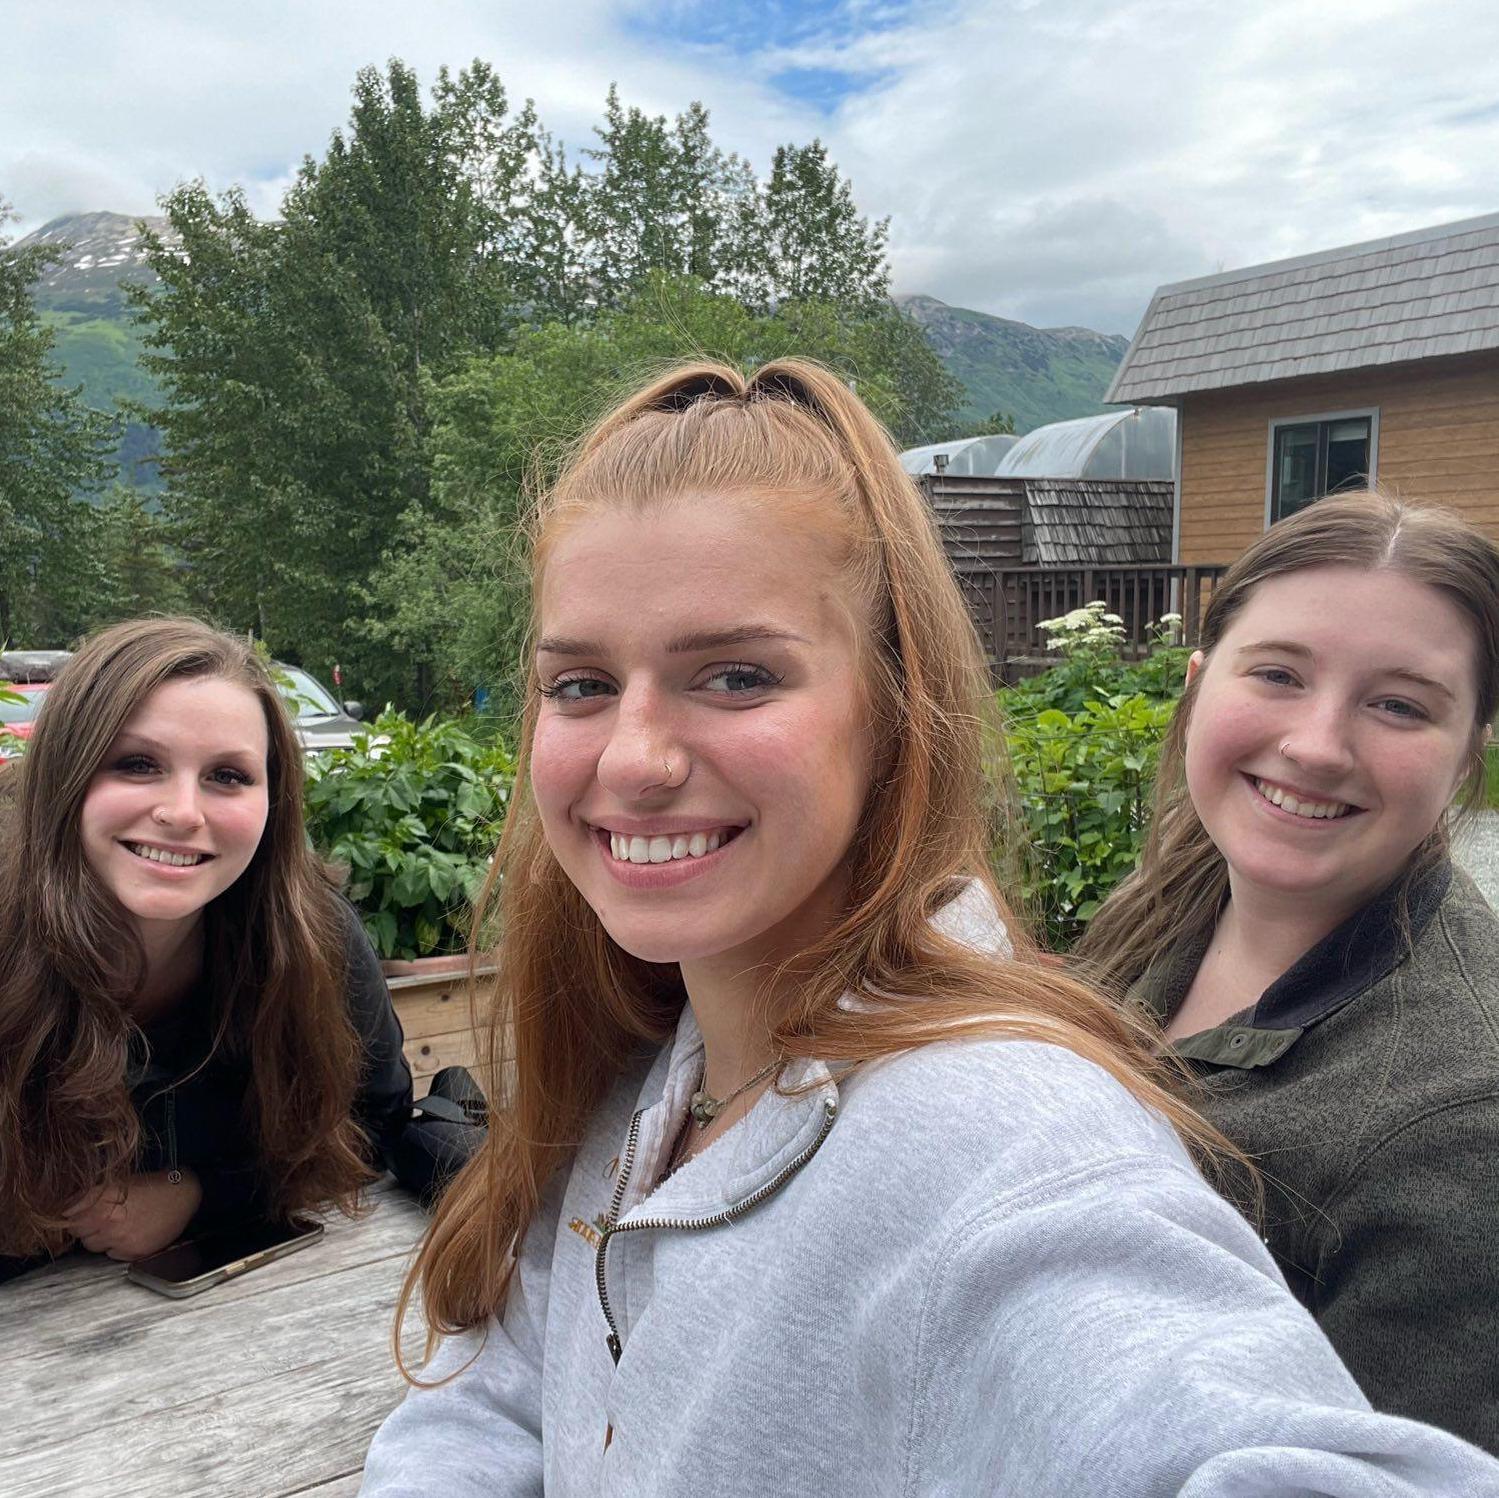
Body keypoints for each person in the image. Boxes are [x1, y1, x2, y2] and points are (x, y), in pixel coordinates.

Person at [361, 366, 1499, 1496]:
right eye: (578, 684)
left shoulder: (998, 1133)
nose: (634, 758)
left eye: (737, 675)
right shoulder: (655, 1054)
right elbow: (501, 1379)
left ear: (898, 708)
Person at [1080, 490, 1499, 1453]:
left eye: (1398, 705)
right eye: (1275, 674)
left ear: (1469, 752)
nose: (1314, 746)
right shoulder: (1176, 891)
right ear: (1196, 685)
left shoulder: (1458, 1131)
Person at [0, 619, 441, 1283]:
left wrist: (199, 1191)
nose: (182, 811)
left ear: (273, 802)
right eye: (137, 764)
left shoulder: (313, 939)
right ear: (64, 774)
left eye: (227, 776)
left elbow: (375, 1120)